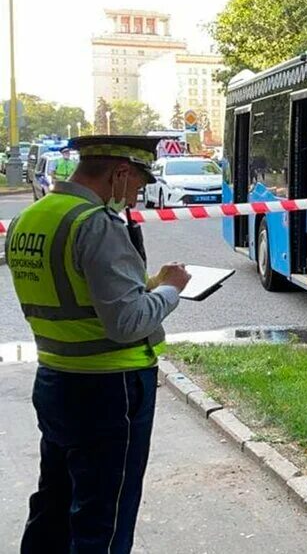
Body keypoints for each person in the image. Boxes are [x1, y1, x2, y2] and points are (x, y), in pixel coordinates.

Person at [5, 136, 192, 554]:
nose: (136, 197)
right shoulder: (95, 224)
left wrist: (147, 285)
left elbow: (76, 295)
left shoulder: (30, 219)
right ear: (119, 173)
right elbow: (126, 322)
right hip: (111, 390)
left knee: (52, 505)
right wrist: (171, 290)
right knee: (103, 521)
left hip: (54, 379)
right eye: (137, 187)